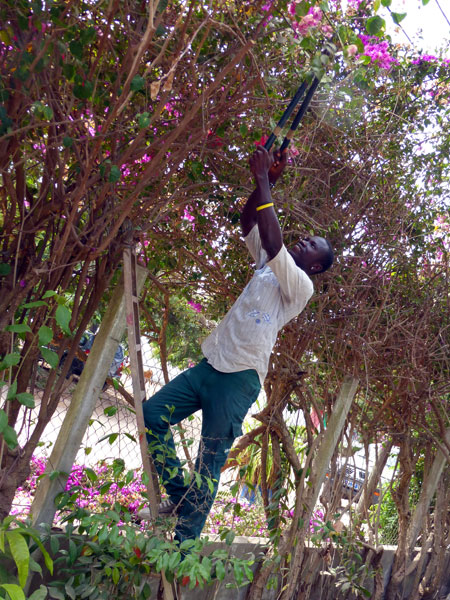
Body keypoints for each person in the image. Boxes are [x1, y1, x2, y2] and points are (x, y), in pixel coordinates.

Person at [142, 146, 334, 543]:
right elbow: (252, 221)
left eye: (311, 244)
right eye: (305, 238)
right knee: (152, 415)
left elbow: (274, 239)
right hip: (212, 363)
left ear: (315, 265)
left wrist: (266, 180)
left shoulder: (301, 286)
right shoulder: (267, 262)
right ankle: (179, 496)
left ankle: (183, 543)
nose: (303, 242)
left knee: (208, 463)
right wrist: (268, 183)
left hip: (240, 379)